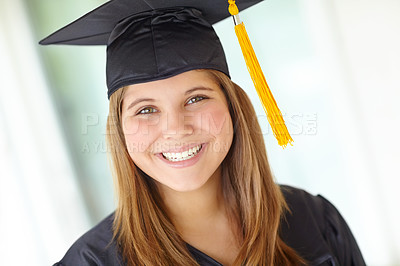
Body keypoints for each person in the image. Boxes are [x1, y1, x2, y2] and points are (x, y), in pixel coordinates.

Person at [40, 0, 366, 265]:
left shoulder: (314, 220)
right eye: (146, 110)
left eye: (196, 99)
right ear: (120, 129)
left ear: (232, 106)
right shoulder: (90, 262)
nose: (175, 128)